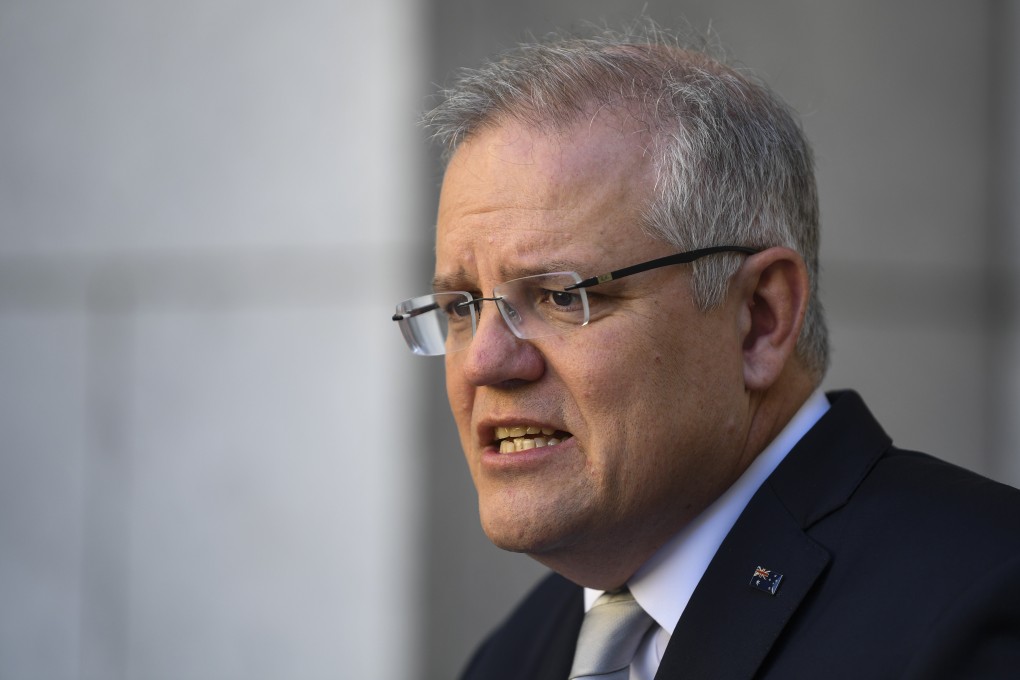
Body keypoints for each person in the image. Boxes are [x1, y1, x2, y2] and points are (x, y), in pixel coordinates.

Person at [391, 24, 1020, 679]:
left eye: (560, 296)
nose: (483, 363)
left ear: (759, 321)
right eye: (462, 307)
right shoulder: (514, 657)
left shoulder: (980, 608)